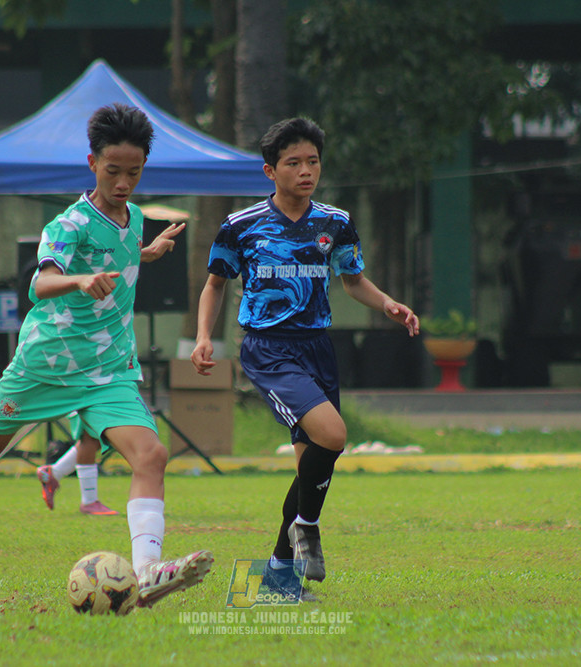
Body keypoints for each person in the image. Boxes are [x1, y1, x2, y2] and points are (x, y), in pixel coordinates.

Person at [0, 103, 212, 608]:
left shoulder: (137, 217)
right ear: (92, 163)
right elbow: (40, 280)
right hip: (47, 364)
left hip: (108, 371)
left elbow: (118, 254)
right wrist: (78, 279)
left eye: (134, 172)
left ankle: (147, 574)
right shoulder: (69, 222)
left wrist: (147, 253)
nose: (124, 182)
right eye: (113, 171)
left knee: (152, 454)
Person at [191, 117, 418, 597]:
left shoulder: (334, 223)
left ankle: (276, 574)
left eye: (312, 161)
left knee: (311, 467)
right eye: (293, 163)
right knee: (333, 435)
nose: (305, 171)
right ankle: (307, 530)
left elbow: (353, 280)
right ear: (270, 171)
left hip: (318, 347)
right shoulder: (241, 225)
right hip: (268, 349)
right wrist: (203, 337)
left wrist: (388, 304)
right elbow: (215, 284)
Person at [36, 415, 118, 516]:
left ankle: (54, 472)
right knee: (90, 438)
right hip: (89, 400)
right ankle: (89, 502)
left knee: (99, 437)